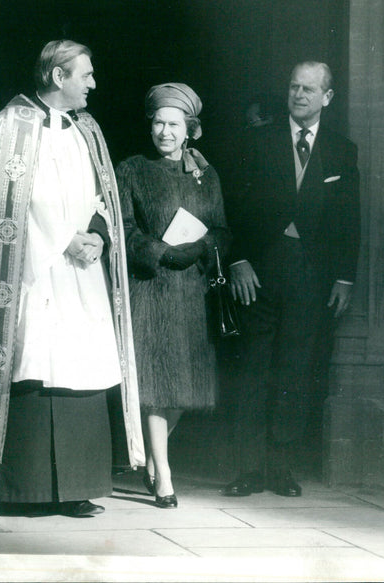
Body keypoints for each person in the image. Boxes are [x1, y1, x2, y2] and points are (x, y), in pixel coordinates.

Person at [0, 39, 144, 518]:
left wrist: (96, 234)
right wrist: (61, 239)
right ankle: (21, 490)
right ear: (58, 76)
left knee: (83, 367)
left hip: (82, 272)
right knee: (38, 363)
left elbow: (102, 195)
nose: (93, 84)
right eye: (86, 75)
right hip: (37, 271)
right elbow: (4, 200)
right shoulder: (13, 125)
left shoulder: (86, 129)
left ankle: (77, 487)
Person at [221, 61, 360, 497]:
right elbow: (231, 207)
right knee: (253, 368)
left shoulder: (342, 150)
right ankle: (247, 470)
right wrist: (238, 259)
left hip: (312, 275)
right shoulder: (256, 141)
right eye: (294, 87)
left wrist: (344, 279)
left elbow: (349, 218)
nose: (299, 95)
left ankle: (280, 469)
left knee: (294, 370)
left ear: (327, 97)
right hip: (258, 271)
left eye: (309, 89)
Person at [115, 83, 230, 508]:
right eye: (159, 122)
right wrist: (160, 252)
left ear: (189, 129)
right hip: (153, 289)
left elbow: (222, 229)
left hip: (192, 292)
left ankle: (149, 457)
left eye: (174, 124)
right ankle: (163, 474)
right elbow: (123, 229)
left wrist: (201, 248)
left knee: (188, 390)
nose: (164, 131)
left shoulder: (206, 173)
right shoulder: (131, 169)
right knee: (159, 385)